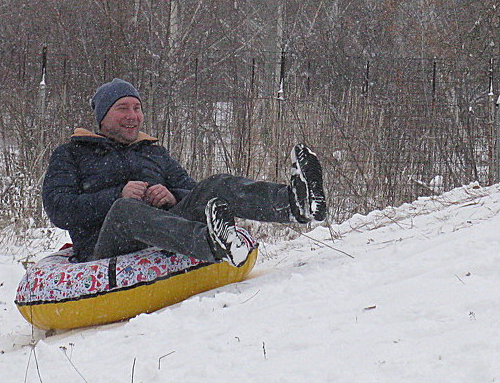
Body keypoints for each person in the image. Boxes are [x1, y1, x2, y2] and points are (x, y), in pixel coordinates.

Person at [42, 78, 327, 266]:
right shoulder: (72, 153)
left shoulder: (152, 151)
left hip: (164, 232)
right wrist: (116, 195)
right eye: (122, 108)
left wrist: (171, 198)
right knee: (126, 210)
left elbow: (192, 193)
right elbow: (59, 209)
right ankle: (213, 246)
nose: (133, 116)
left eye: (137, 108)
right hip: (105, 246)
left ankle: (295, 203)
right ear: (103, 117)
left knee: (215, 185)